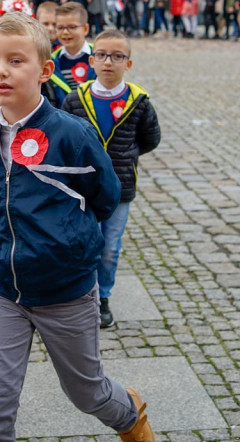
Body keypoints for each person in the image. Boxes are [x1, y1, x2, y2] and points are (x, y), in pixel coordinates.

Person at [0, 12, 154, 442]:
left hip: (66, 292)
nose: (2, 71)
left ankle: (130, 415)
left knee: (87, 393)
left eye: (16, 61)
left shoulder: (72, 134)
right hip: (5, 292)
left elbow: (105, 197)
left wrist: (70, 243)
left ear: (45, 71)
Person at [61, 29, 160, 328]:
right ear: (92, 60)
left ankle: (103, 296)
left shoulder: (138, 101)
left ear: (127, 64)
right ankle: (79, 295)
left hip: (119, 188)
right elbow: (62, 137)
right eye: (102, 55)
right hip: (83, 187)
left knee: (109, 247)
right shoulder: (75, 99)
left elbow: (150, 138)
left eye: (117, 56)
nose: (109, 62)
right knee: (80, 242)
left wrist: (124, 156)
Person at [50, 2, 94, 106]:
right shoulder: (52, 61)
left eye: (72, 27)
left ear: (85, 29)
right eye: (60, 28)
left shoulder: (99, 56)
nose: (65, 32)